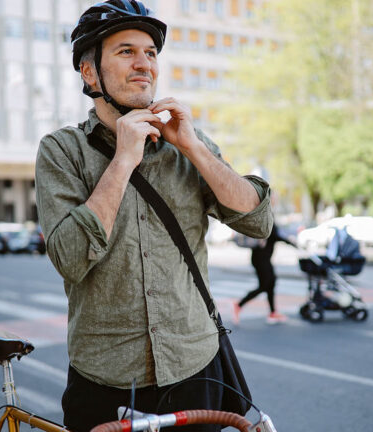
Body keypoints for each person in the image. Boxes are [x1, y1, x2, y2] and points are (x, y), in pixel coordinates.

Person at [34, 1, 273, 431]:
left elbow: (257, 221)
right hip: (105, 377)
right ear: (90, 73)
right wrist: (123, 159)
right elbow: (68, 258)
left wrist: (194, 148)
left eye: (150, 53)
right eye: (126, 51)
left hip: (194, 367)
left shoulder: (187, 145)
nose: (144, 63)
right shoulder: (62, 151)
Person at [233, 222, 295, 325]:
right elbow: (274, 236)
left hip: (263, 258)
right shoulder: (266, 219)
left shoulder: (267, 218)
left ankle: (273, 312)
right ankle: (239, 305)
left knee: (271, 283)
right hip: (260, 259)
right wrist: (291, 242)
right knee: (265, 285)